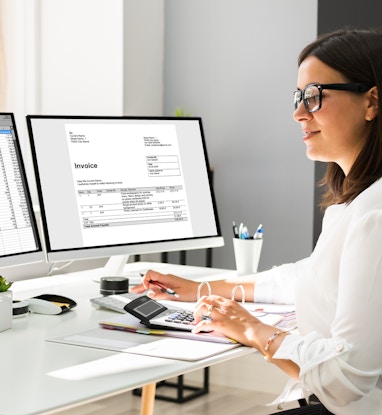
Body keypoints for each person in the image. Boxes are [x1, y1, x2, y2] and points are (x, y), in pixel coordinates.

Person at [132, 28, 382, 415]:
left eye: (314, 96)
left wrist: (251, 330)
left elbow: (343, 378)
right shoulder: (358, 204)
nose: (298, 113)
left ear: (371, 102)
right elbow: (312, 277)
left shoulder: (375, 214)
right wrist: (199, 289)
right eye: (298, 97)